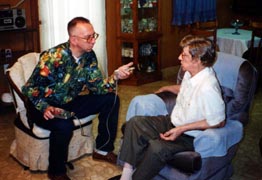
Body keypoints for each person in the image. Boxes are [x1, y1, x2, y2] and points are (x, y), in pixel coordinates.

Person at [22, 17, 133, 180]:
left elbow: (97, 88)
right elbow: (29, 89)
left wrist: (115, 76)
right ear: (73, 39)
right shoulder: (53, 56)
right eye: (88, 37)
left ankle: (102, 149)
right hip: (42, 105)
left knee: (111, 99)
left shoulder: (89, 56)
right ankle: (56, 171)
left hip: (68, 102)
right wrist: (44, 107)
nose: (93, 40)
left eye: (94, 35)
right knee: (63, 125)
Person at [109, 35, 226, 180]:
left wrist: (181, 129)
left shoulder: (208, 87)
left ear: (197, 60)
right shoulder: (192, 73)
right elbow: (187, 89)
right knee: (135, 123)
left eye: (184, 55)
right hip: (172, 121)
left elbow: (219, 121)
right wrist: (168, 87)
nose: (179, 57)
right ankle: (126, 176)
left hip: (190, 135)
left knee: (157, 148)